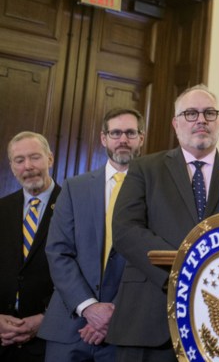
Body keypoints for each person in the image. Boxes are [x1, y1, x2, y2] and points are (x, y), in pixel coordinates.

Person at [107, 85, 219, 362]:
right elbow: (125, 230)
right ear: (175, 123)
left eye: (209, 113)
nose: (201, 120)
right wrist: (182, 269)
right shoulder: (145, 168)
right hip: (149, 318)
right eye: (190, 113)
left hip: (217, 320)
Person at [39, 108, 145, 362]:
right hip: (69, 326)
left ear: (141, 138)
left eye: (130, 133)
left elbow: (151, 259)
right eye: (115, 133)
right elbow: (57, 251)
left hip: (126, 331)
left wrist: (112, 314)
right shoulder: (75, 187)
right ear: (103, 138)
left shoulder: (155, 191)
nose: (123, 139)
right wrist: (89, 307)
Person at [0, 132, 61, 362]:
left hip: (49, 342)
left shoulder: (72, 206)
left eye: (35, 157)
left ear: (50, 159)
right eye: (19, 160)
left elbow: (82, 273)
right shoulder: (2, 209)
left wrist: (47, 317)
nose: (28, 166)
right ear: (12, 166)